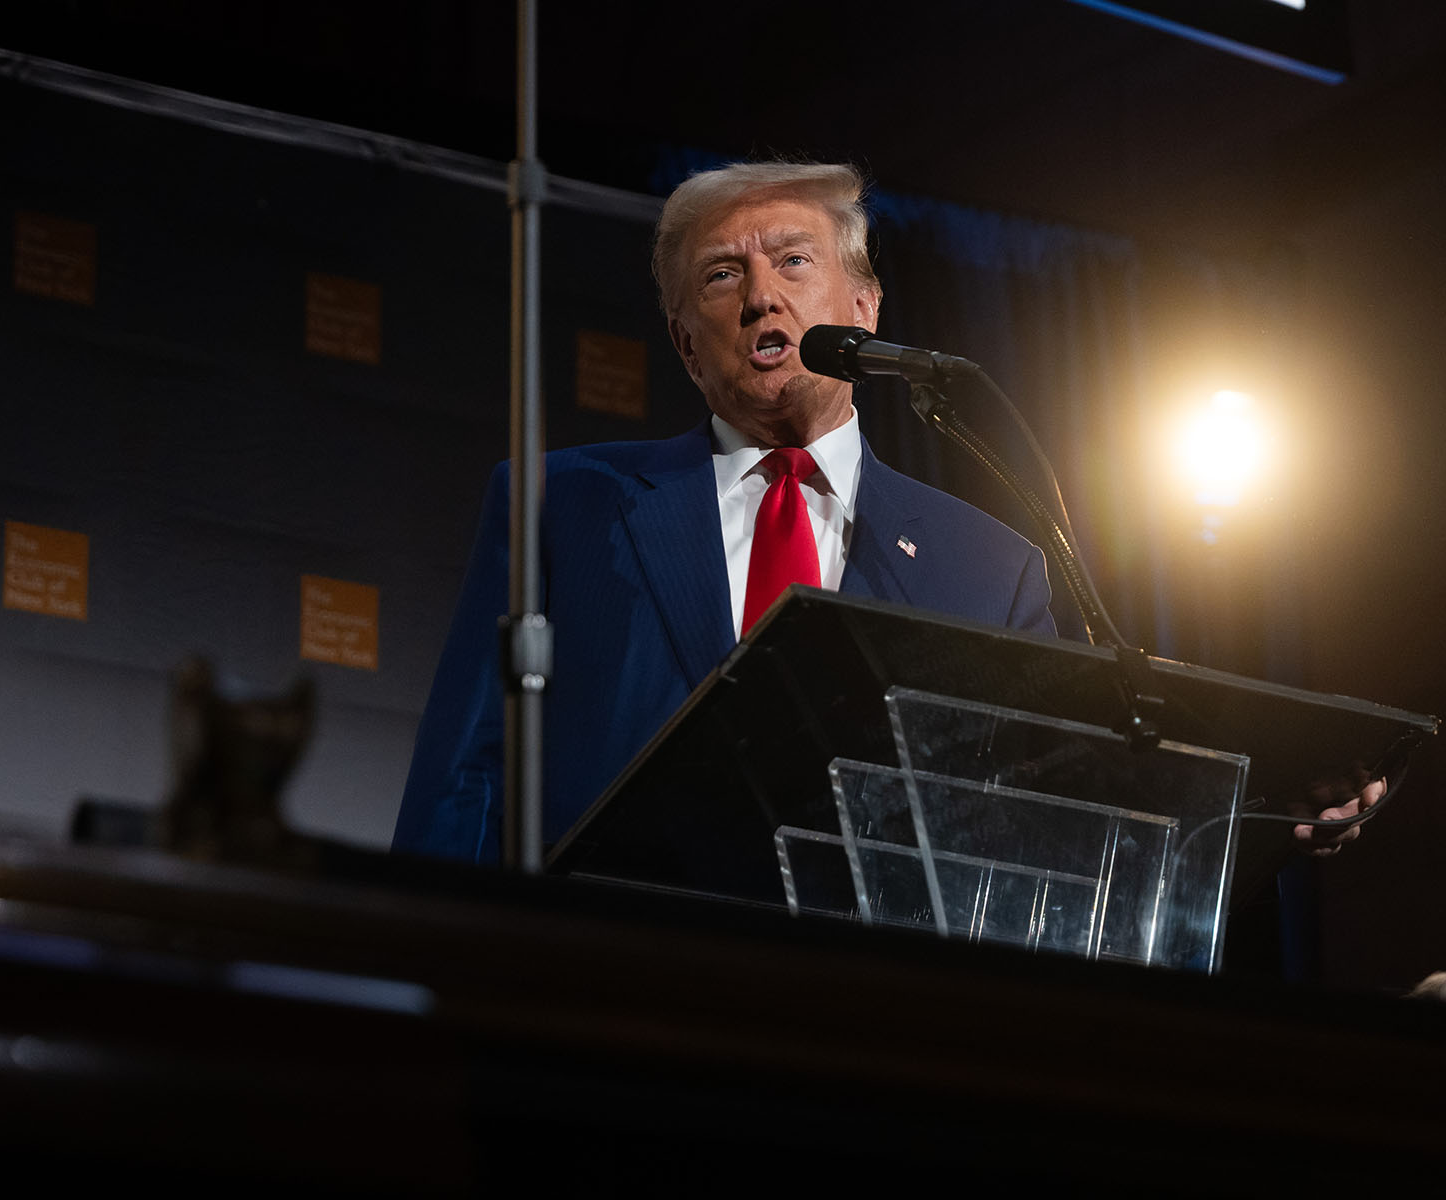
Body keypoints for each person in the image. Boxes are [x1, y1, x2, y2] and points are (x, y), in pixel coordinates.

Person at [391, 159, 1380, 865]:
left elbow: (1051, 812)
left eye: (792, 261)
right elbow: (461, 787)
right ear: (688, 346)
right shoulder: (566, 506)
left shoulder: (991, 565)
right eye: (721, 276)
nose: (759, 298)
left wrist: (1266, 795)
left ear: (864, 307)